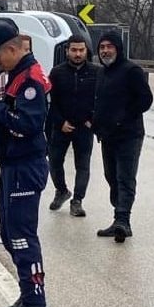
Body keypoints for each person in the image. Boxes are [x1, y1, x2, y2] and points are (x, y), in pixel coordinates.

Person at [0, 22, 51, 307]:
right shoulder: (12, 76)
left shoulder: (29, 79)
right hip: (11, 164)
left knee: (21, 235)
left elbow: (29, 124)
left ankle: (36, 304)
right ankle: (27, 293)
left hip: (26, 165)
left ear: (12, 48)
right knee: (8, 233)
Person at [92, 30, 153, 243]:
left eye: (110, 47)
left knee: (125, 178)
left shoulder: (131, 71)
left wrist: (122, 117)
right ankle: (118, 216)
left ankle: (123, 220)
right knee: (111, 177)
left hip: (129, 135)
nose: (105, 51)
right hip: (107, 135)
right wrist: (95, 122)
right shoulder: (101, 73)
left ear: (118, 49)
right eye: (102, 47)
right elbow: (99, 101)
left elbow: (145, 100)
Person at [46, 34, 99, 218]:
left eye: (81, 50)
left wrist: (92, 120)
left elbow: (100, 100)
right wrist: (60, 122)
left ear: (86, 51)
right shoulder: (57, 72)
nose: (78, 54)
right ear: (67, 51)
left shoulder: (96, 72)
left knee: (82, 165)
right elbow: (52, 102)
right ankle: (61, 190)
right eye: (74, 50)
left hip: (85, 127)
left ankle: (77, 201)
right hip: (61, 126)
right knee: (54, 161)